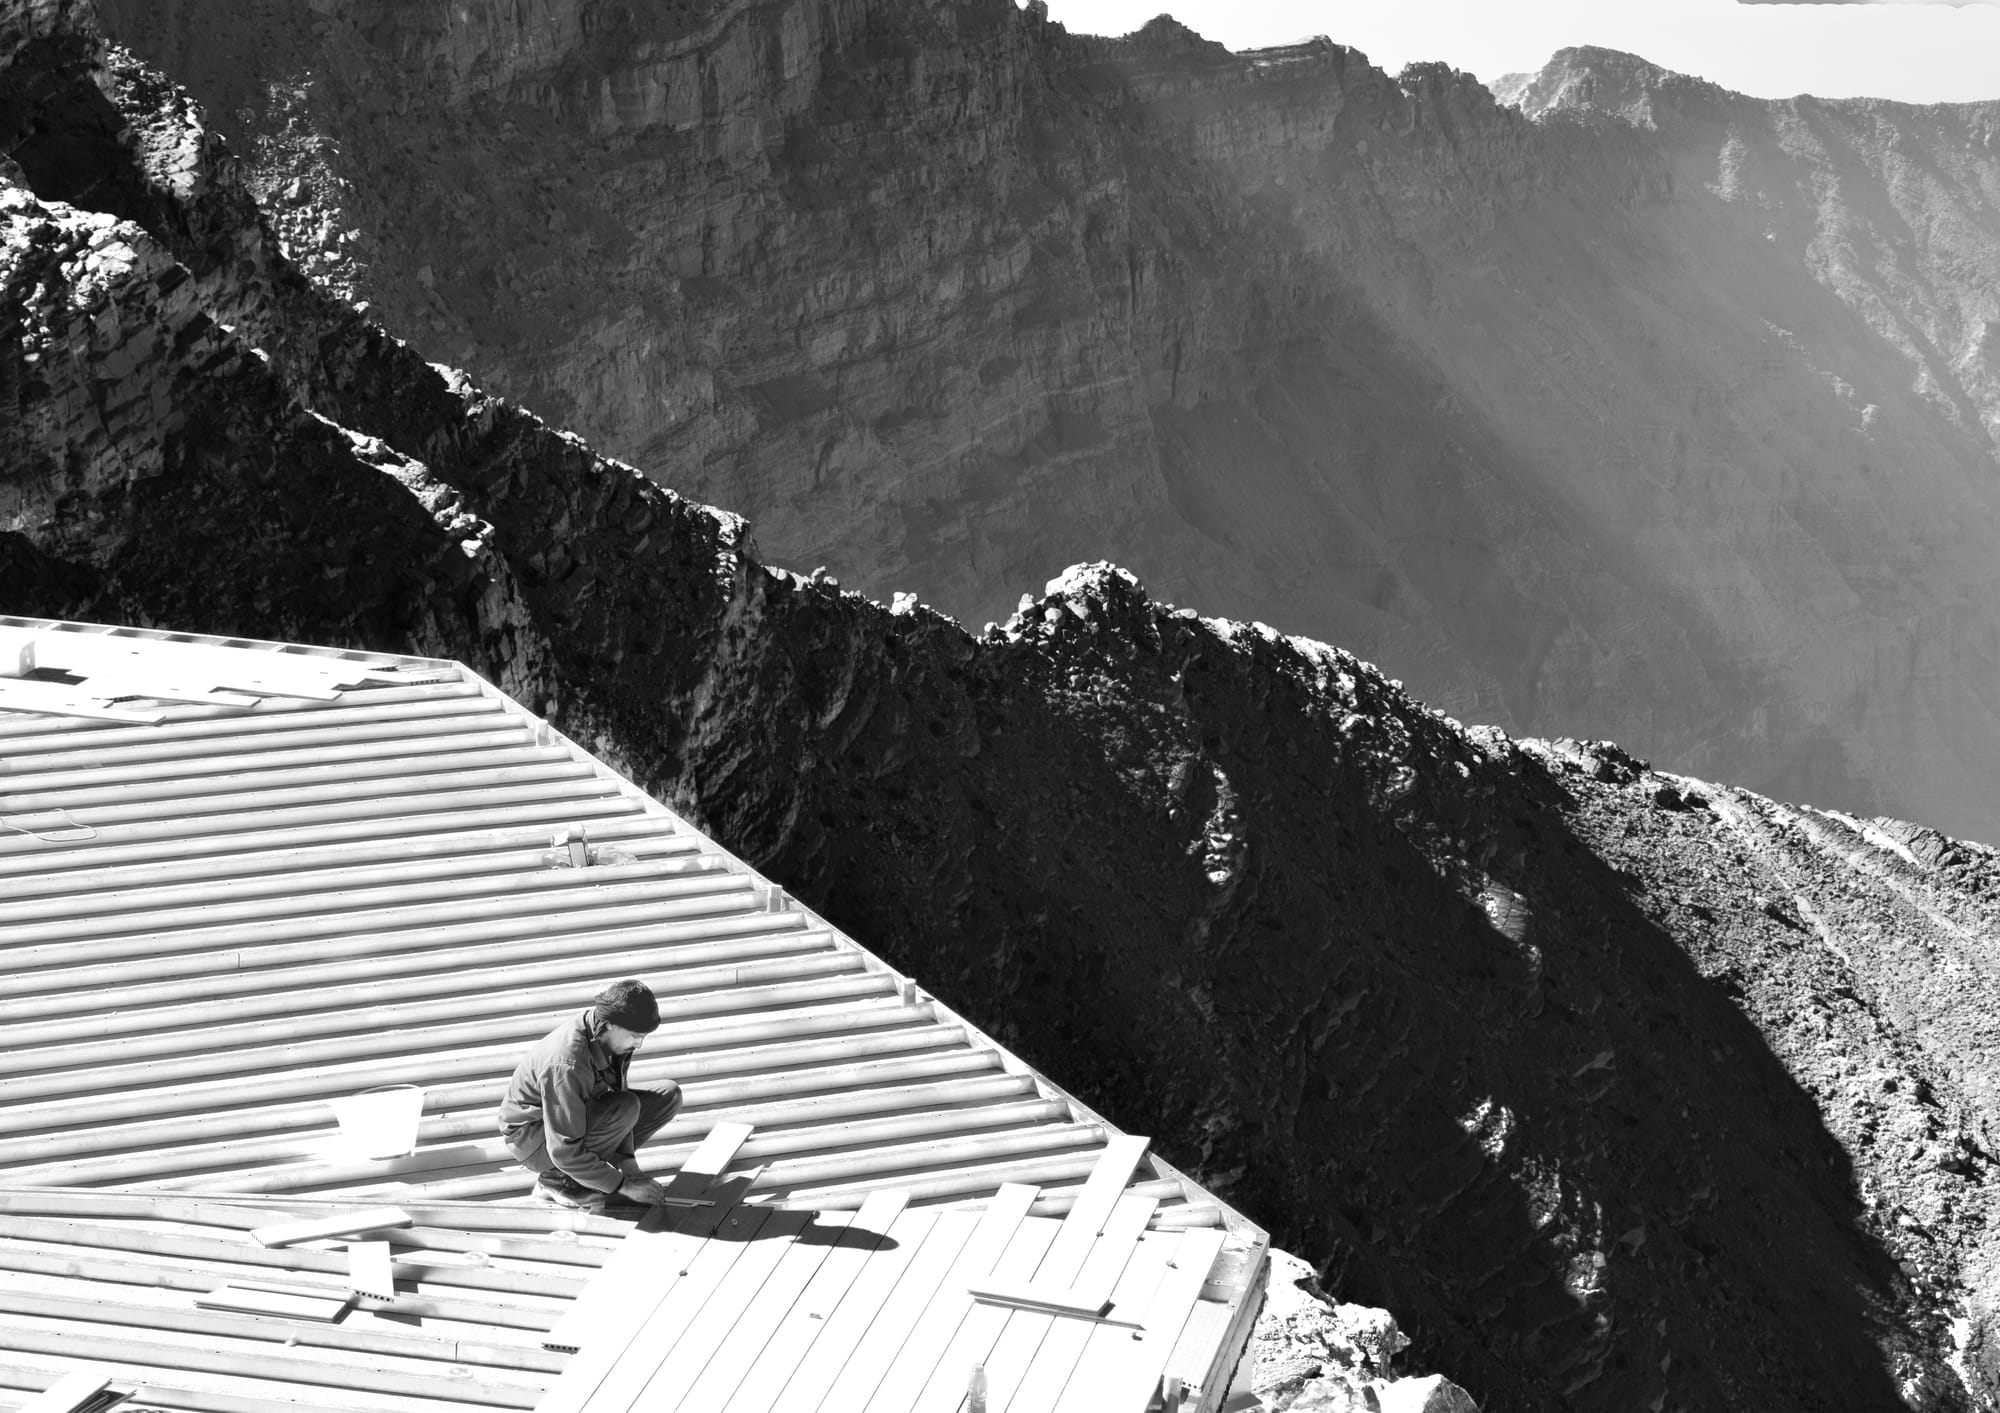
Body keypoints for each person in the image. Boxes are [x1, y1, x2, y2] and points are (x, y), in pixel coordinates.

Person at [498, 978, 681, 1210]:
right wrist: (622, 1186)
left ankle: (590, 1173)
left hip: (575, 1115)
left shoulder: (612, 1037)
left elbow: (619, 1095)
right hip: (536, 1139)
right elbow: (563, 1148)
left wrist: (629, 1166)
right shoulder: (566, 1062)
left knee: (668, 1095)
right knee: (625, 1107)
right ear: (610, 1024)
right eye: (636, 1035)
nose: (639, 1044)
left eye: (643, 1036)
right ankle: (555, 1180)